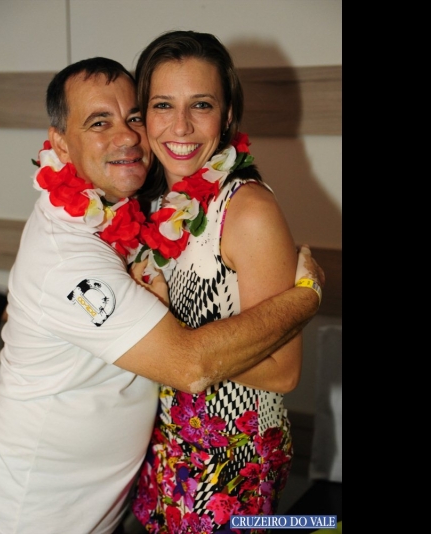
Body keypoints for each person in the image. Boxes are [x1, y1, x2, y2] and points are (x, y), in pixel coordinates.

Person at [0, 56, 324, 534]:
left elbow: (282, 371)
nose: (126, 136)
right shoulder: (71, 255)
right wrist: (306, 298)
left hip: (203, 474)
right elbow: (188, 364)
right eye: (99, 122)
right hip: (40, 512)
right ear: (59, 142)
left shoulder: (141, 207)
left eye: (134, 117)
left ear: (227, 114)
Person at [129, 30, 308, 533]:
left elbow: (283, 372)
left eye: (201, 105)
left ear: (227, 116)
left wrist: (171, 336)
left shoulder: (247, 211)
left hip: (231, 465)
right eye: (163, 105)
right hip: (168, 449)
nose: (180, 125)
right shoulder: (159, 201)